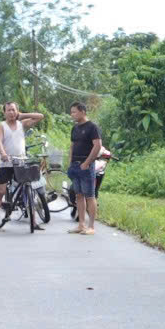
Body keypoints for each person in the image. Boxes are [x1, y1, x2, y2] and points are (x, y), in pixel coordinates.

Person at [0, 101, 44, 229]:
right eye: (8, 110)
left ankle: (34, 221)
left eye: (13, 110)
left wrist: (21, 115)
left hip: (21, 162)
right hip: (6, 163)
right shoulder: (1, 126)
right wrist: (3, 154)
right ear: (4, 112)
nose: (11, 112)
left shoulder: (22, 124)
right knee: (1, 191)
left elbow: (40, 116)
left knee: (29, 188)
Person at [65, 99, 108, 235]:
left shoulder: (92, 127)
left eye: (74, 112)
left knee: (90, 196)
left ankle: (91, 227)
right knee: (78, 195)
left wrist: (87, 163)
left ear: (82, 111)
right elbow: (72, 146)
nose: (72, 115)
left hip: (86, 166)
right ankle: (81, 225)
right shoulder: (75, 128)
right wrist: (70, 162)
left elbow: (97, 145)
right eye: (71, 112)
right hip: (75, 166)